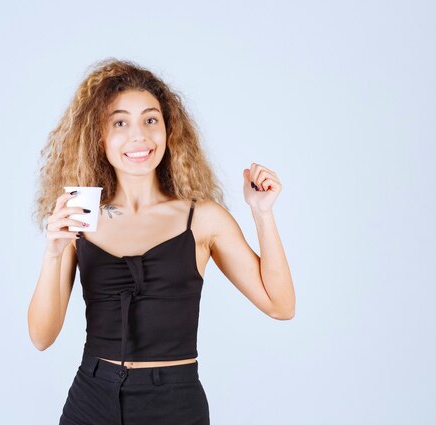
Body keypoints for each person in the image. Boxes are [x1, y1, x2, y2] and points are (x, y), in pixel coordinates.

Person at [28, 58, 296, 425]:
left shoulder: (203, 218)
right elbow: (42, 338)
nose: (138, 135)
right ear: (98, 136)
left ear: (168, 130)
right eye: (120, 122)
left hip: (174, 402)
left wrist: (262, 214)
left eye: (150, 120)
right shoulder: (79, 218)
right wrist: (52, 253)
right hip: (92, 399)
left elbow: (281, 306)